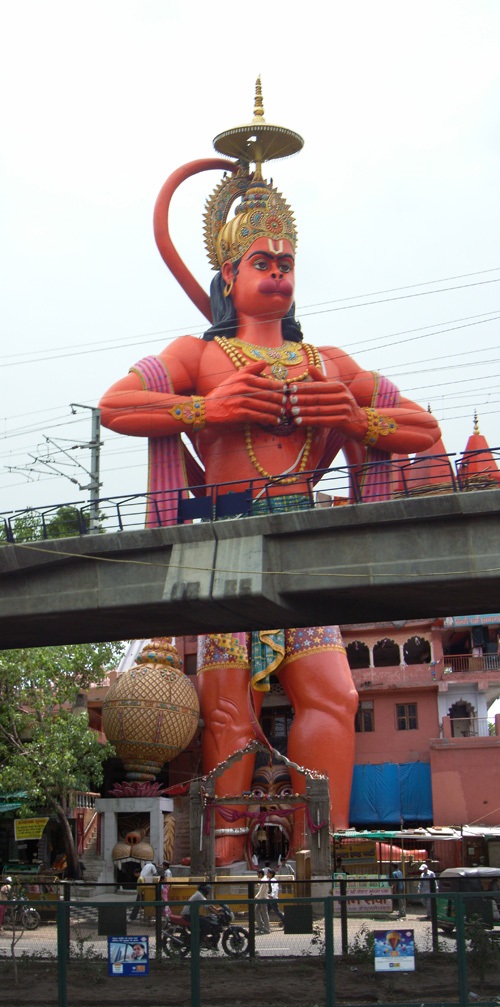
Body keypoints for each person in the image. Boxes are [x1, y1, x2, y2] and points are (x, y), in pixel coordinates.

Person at [100, 85, 441, 865]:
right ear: (229, 269)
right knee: (231, 714)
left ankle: (323, 846)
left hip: (298, 546)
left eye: (288, 261)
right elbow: (118, 404)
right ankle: (224, 861)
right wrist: (208, 409)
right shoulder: (200, 355)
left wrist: (358, 422)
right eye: (264, 260)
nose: (280, 272)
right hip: (223, 545)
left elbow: (424, 427)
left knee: (336, 694)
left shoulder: (328, 364)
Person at [255, 870, 271, 934]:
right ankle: (261, 926)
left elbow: (262, 890)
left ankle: (266, 928)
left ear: (260, 874)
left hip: (262, 898)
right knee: (257, 911)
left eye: (258, 874)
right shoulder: (264, 879)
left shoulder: (263, 880)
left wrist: (256, 896)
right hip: (261, 897)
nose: (257, 875)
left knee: (264, 913)